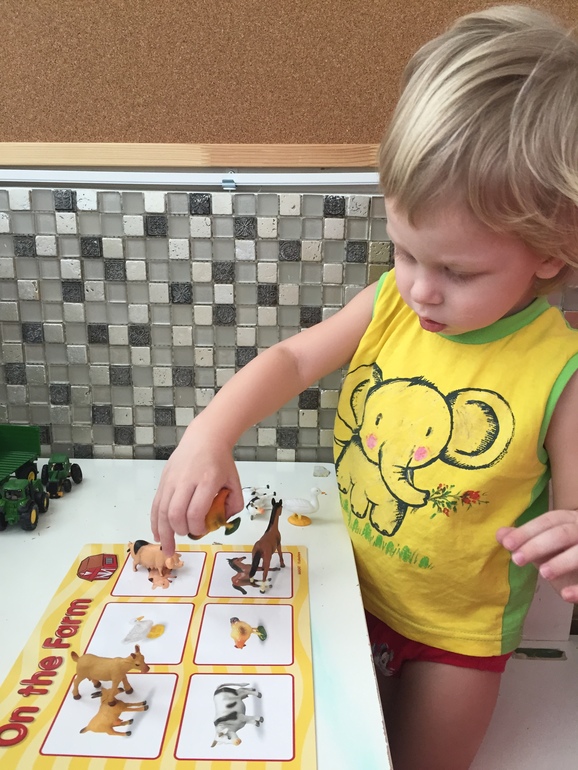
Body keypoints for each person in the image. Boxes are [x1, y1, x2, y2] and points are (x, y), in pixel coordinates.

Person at [151, 5, 578, 768]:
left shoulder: (561, 375)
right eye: (405, 251)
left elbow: (573, 516)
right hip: (344, 582)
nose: (420, 289)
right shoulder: (388, 304)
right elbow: (292, 360)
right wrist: (209, 432)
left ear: (552, 250)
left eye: (457, 271)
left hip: (456, 641)